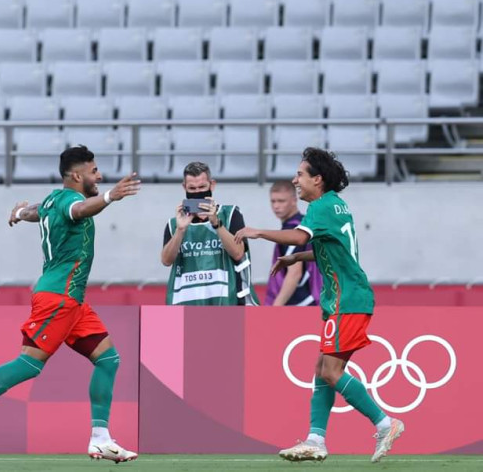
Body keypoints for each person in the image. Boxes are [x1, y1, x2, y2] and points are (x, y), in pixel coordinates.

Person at [0, 146, 141, 463]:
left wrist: (20, 213)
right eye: (93, 171)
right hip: (59, 297)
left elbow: (38, 211)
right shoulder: (72, 201)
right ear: (76, 176)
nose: (100, 176)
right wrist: (110, 197)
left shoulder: (52, 200)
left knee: (108, 359)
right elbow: (81, 210)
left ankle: (100, 438)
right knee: (30, 364)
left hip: (72, 301)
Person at [234, 148, 404, 463]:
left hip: (346, 300)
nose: (295, 180)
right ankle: (315, 439)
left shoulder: (320, 207)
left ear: (318, 179)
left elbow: (300, 237)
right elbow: (335, 248)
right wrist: (297, 258)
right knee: (322, 370)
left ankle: (385, 423)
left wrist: (258, 232)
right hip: (347, 297)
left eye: (300, 174)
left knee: (331, 371)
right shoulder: (336, 204)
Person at [161, 161, 258, 306]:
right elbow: (166, 260)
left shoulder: (230, 214)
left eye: (202, 187)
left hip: (227, 303)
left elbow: (238, 253)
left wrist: (216, 223)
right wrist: (180, 230)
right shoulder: (174, 223)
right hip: (186, 305)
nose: (197, 192)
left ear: (212, 185)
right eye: (192, 188)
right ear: (184, 187)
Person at [265, 180, 321, 306]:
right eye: (273, 201)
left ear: (294, 200)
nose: (276, 206)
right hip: (314, 300)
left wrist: (274, 308)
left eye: (281, 201)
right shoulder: (304, 223)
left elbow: (295, 273)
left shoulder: (292, 229)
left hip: (301, 303)